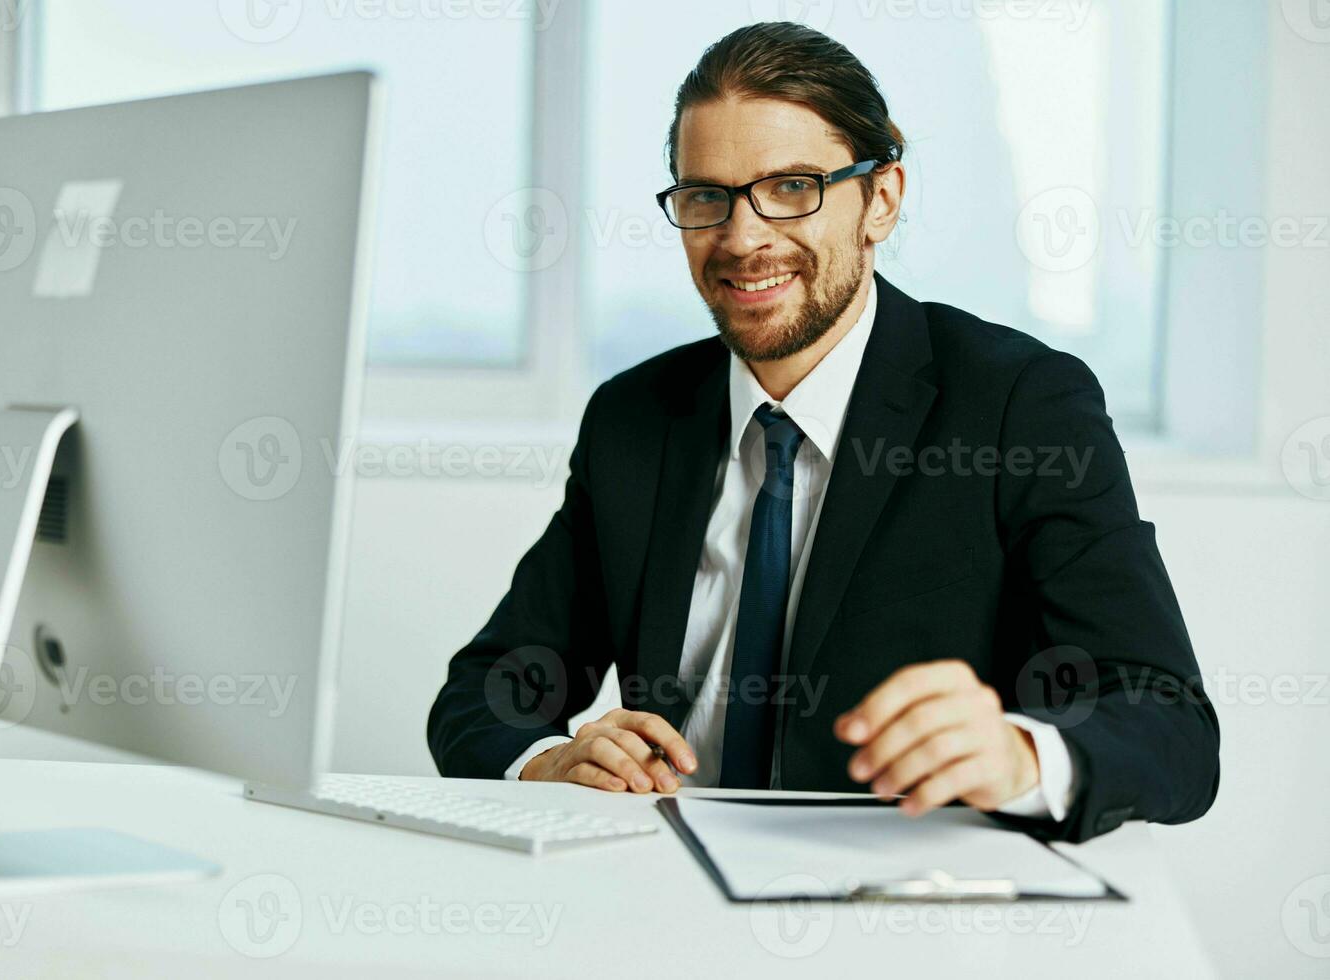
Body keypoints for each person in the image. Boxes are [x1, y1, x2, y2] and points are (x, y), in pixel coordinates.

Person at [427, 22, 1218, 842]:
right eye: (708, 197)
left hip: (901, 908)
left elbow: (1169, 724)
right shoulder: (636, 417)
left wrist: (1020, 755)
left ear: (881, 199)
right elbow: (486, 690)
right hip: (657, 890)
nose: (744, 237)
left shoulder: (1021, 404)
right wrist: (545, 760)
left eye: (793, 187)